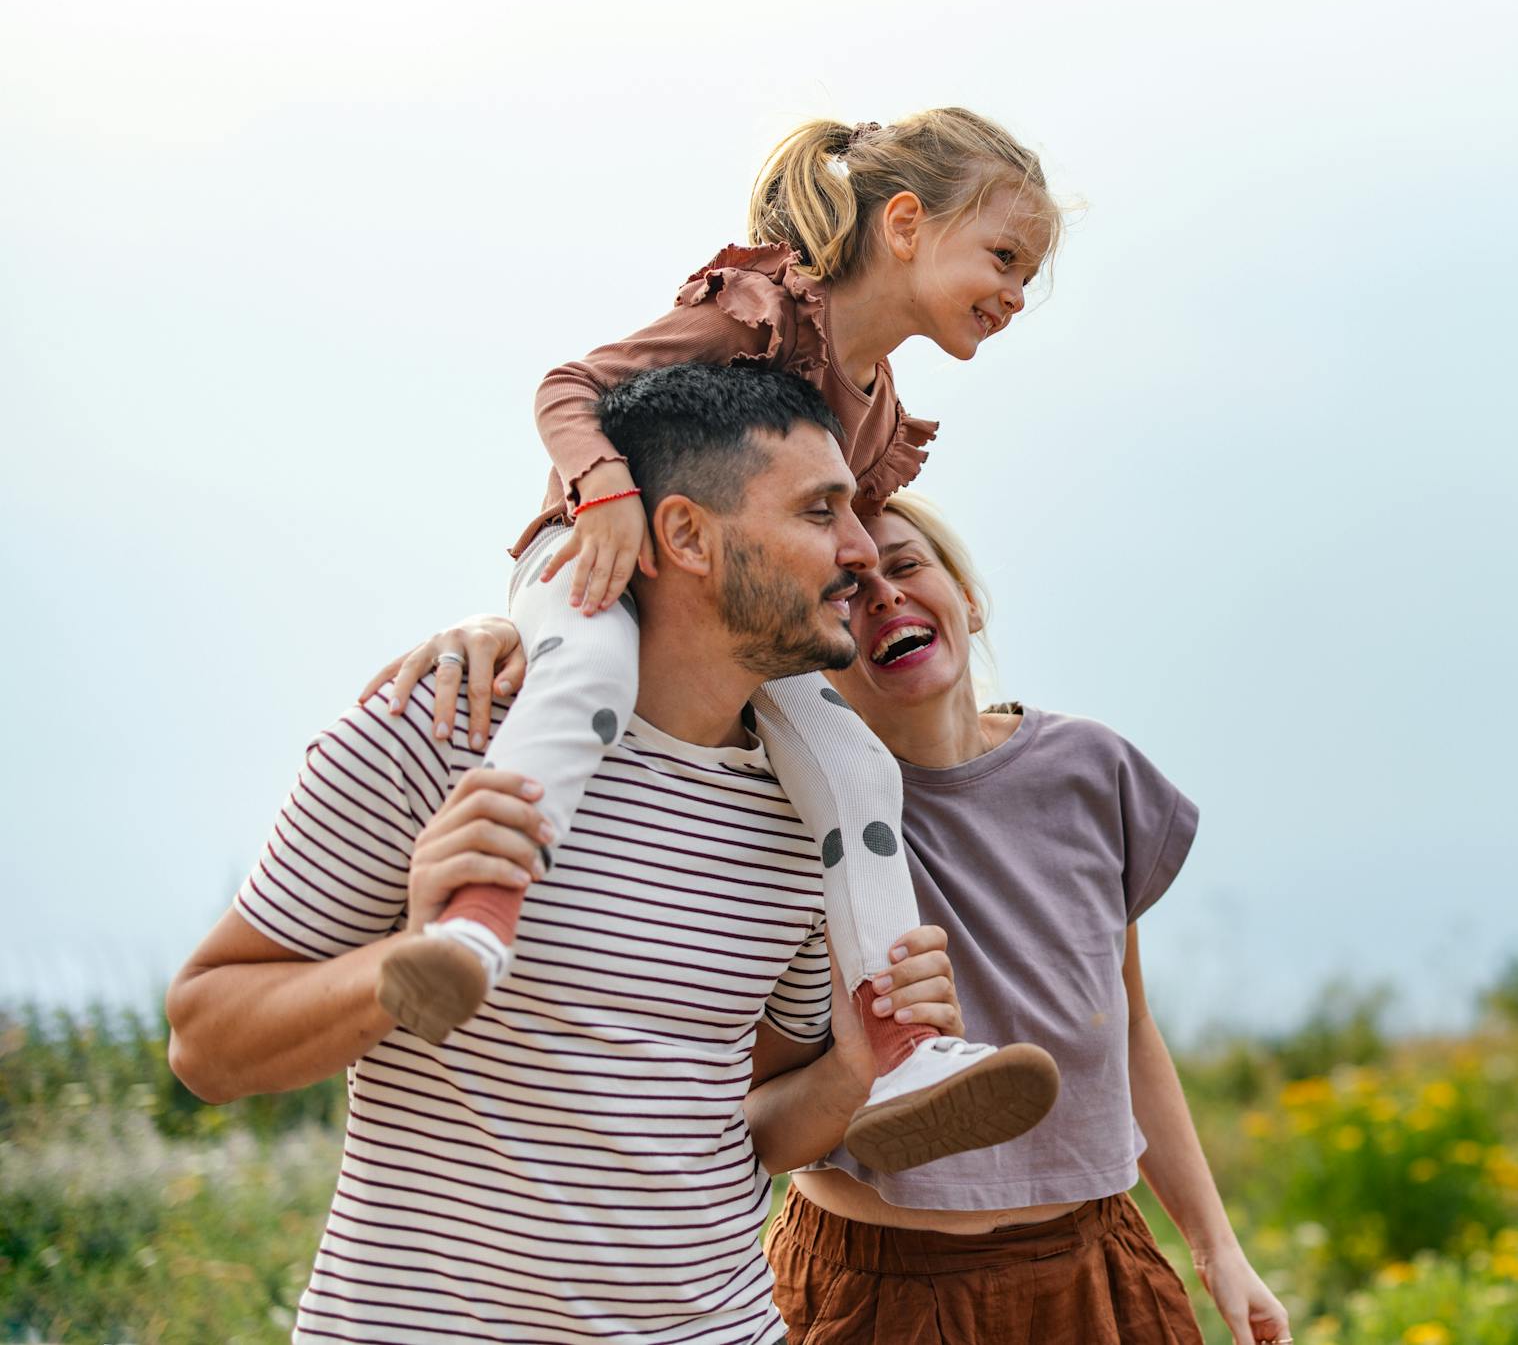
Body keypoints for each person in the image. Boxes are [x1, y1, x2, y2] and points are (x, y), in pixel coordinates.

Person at [167, 366, 976, 1345]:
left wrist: (853, 1070)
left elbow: (751, 1125)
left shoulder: (818, 812)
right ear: (683, 536)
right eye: (820, 513)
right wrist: (404, 958)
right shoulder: (446, 732)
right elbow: (204, 1043)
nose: (860, 553)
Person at [385, 494, 1294, 1345]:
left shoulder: (1094, 771)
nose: (885, 596)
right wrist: (516, 626)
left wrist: (1217, 1247)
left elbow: (1131, 1030)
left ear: (968, 600)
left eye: (907, 566)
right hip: (876, 1286)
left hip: (1094, 1262)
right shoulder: (786, 813)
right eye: (851, 590)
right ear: (814, 638)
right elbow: (755, 1112)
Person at [371, 108, 1063, 1171]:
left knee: (855, 767)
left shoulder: (874, 412)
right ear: (911, 223)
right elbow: (571, 386)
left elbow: (837, 541)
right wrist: (604, 494)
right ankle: (475, 919)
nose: (1017, 293)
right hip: (598, 557)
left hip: (726, 620)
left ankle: (903, 1044)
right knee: (588, 682)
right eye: (1006, 256)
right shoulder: (763, 313)